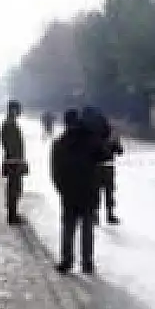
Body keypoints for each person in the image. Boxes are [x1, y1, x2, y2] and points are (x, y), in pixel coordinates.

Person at [51, 109, 105, 274]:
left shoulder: (60, 143)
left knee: (68, 228)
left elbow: (55, 172)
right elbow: (104, 155)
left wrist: (62, 190)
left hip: (69, 193)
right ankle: (87, 263)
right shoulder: (90, 140)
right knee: (87, 229)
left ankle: (67, 261)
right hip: (88, 192)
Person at [92, 110, 124, 225]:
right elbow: (119, 151)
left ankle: (105, 215)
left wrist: (116, 142)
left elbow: (120, 151)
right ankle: (102, 215)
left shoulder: (105, 137)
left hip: (104, 169)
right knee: (102, 193)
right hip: (101, 169)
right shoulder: (96, 137)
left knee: (105, 193)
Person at [0, 100, 27, 225]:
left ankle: (13, 213)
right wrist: (17, 160)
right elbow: (10, 145)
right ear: (13, 110)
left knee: (15, 188)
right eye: (18, 109)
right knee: (14, 188)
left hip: (14, 160)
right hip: (13, 161)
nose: (19, 112)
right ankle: (12, 216)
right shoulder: (9, 124)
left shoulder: (10, 123)